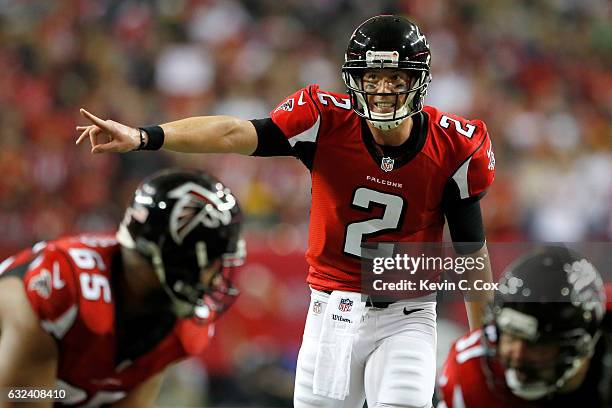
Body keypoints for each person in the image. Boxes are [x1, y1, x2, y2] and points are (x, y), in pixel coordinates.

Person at [76, 15, 495, 408]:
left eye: (395, 77)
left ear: (417, 82)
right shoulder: (326, 120)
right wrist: (144, 136)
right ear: (355, 80)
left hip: (407, 316)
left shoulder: (454, 147)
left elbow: (471, 254)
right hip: (333, 311)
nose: (383, 90)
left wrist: (485, 349)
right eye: (373, 77)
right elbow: (233, 132)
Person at [0, 169, 245, 407]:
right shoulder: (61, 286)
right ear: (174, 257)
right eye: (212, 262)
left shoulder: (174, 322)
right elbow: (19, 397)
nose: (215, 278)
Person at [437, 246, 612, 408]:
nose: (517, 354)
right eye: (511, 335)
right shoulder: (473, 373)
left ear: (582, 345)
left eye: (537, 344)